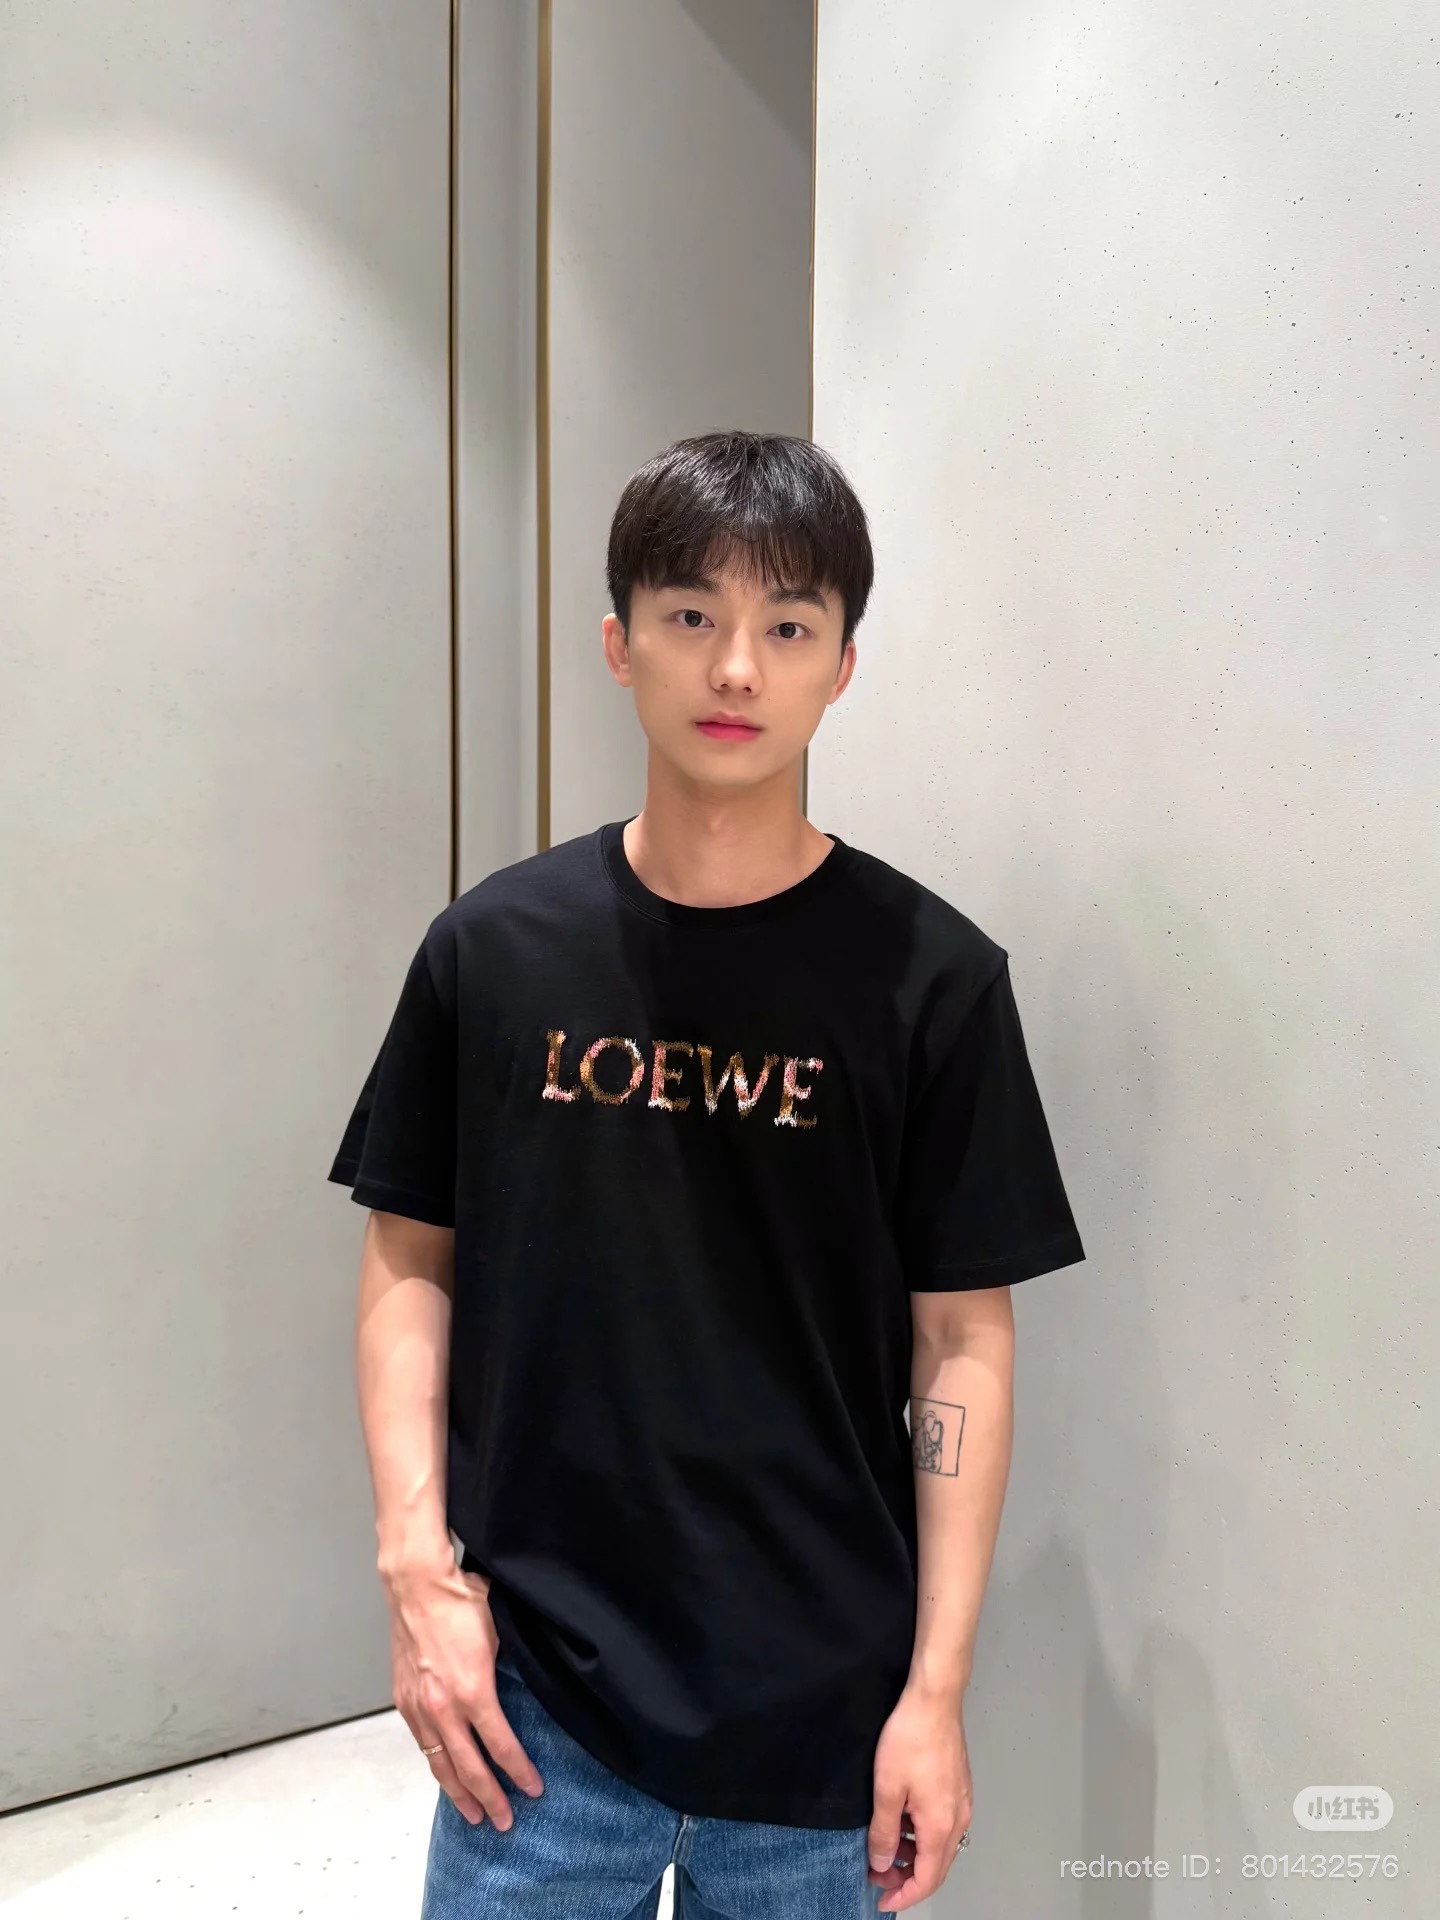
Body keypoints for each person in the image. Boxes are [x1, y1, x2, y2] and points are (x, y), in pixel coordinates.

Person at [327, 429, 1086, 1918]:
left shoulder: (932, 982)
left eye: (788, 627)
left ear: (842, 667)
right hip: (533, 1714)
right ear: (620, 643)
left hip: (823, 1722)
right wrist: (417, 1572)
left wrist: (935, 1692)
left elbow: (960, 1336)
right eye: (692, 615)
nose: (736, 667)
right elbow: (411, 1256)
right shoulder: (493, 952)